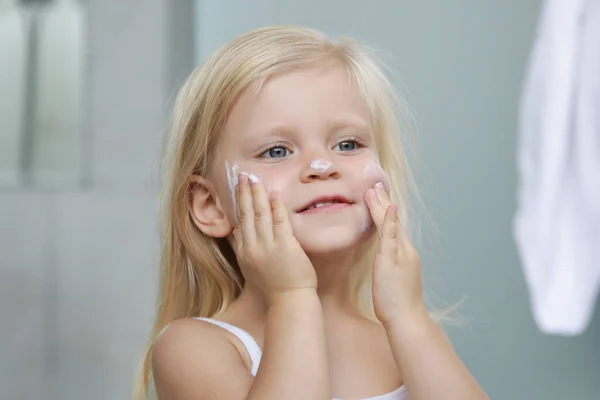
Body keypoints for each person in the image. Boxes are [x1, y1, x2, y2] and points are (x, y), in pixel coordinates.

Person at [134, 25, 488, 400]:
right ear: (211, 206)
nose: (321, 165)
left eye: (347, 144)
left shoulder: (403, 339)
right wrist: (292, 296)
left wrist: (410, 318)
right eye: (277, 151)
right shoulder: (197, 349)